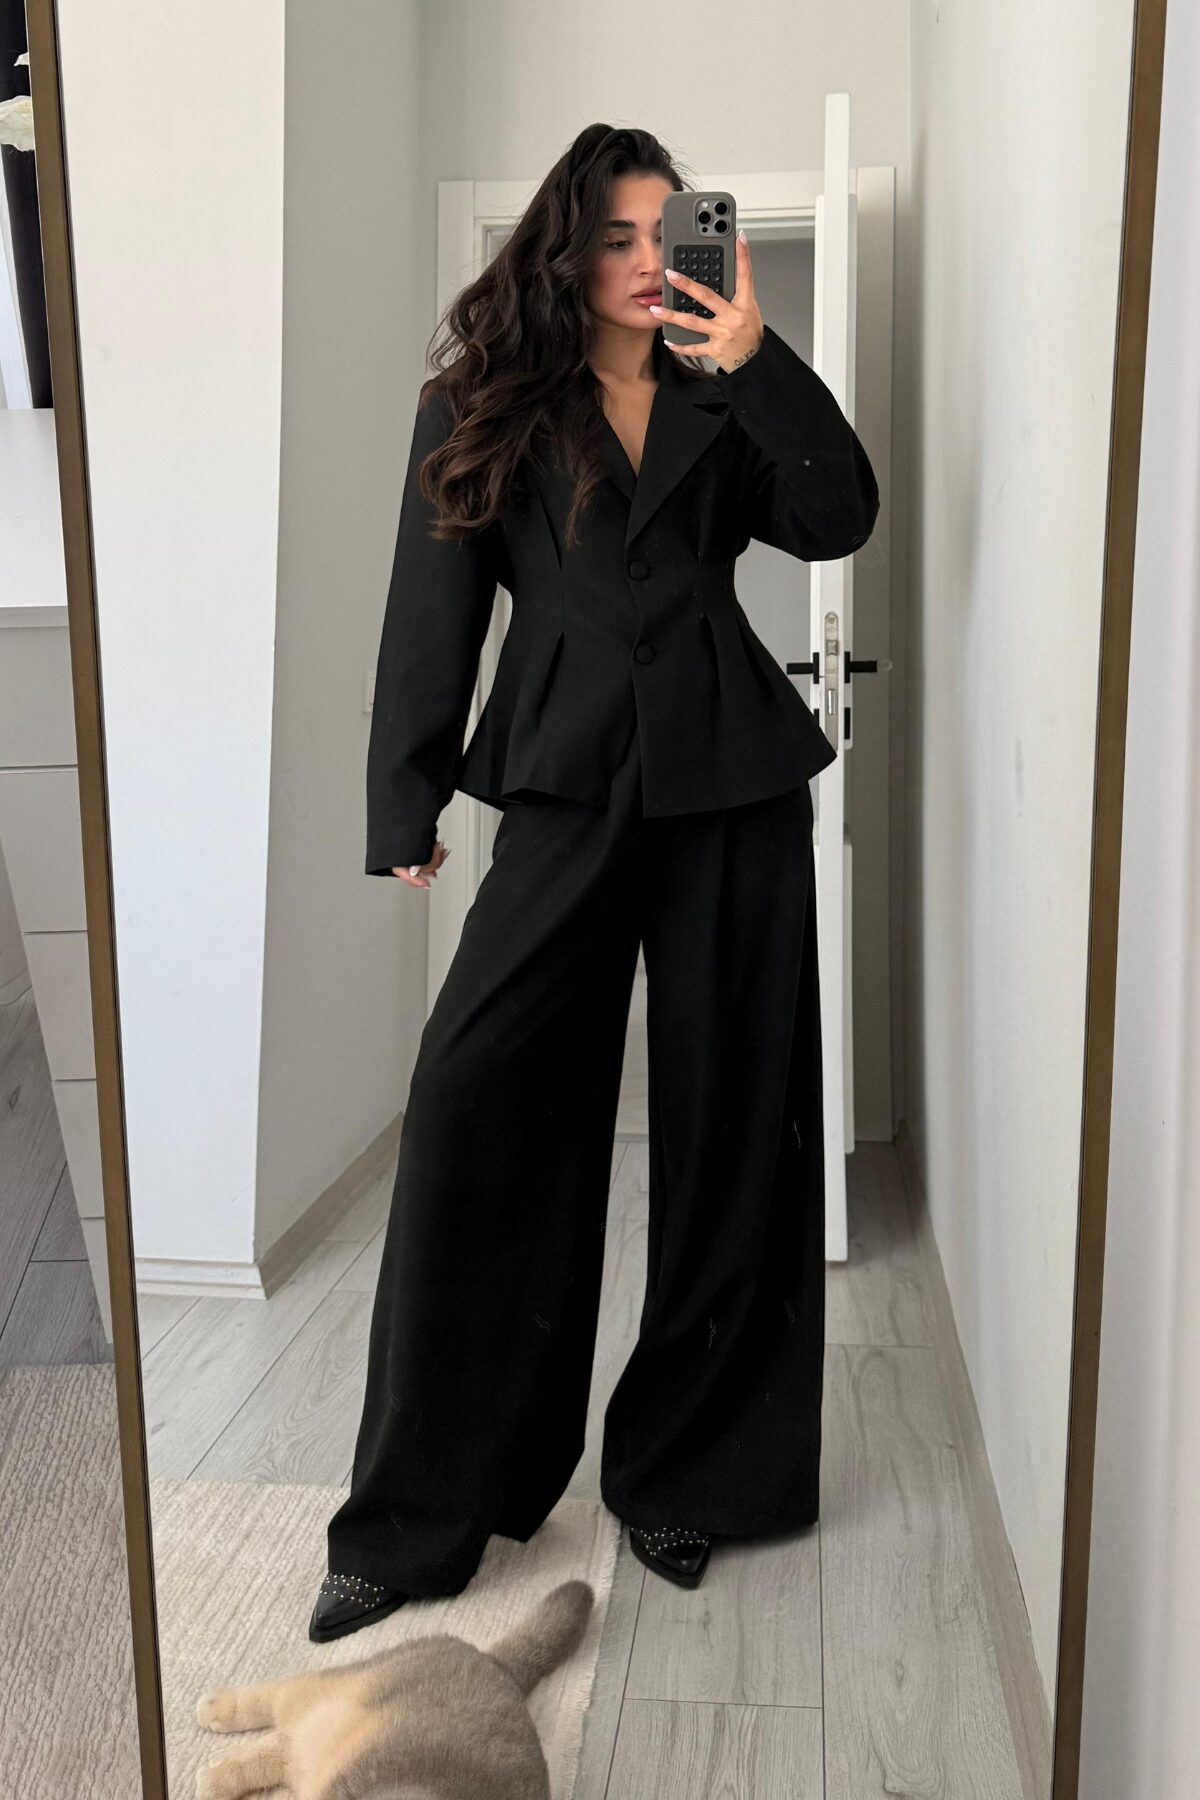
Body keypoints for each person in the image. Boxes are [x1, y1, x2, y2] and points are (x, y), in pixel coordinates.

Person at [311, 122, 879, 1642]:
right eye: (615, 237)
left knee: (734, 1127)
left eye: (664, 234)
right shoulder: (484, 397)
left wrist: (757, 358)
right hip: (563, 783)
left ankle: (695, 1472)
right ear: (567, 250)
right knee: (474, 1107)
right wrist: (404, 794)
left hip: (731, 785)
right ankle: (419, 1511)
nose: (642, 263)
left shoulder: (725, 387)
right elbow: (429, 603)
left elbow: (838, 515)